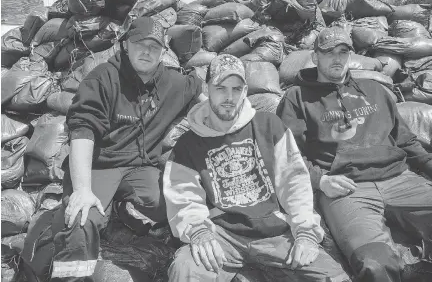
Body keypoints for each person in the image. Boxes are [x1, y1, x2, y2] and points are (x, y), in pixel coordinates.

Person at [163, 54, 350, 282]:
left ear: (245, 91)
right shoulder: (188, 144)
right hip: (222, 236)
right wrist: (198, 231)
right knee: (185, 269)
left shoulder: (269, 126)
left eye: (237, 89)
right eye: (221, 88)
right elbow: (183, 196)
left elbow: (294, 182)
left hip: (274, 233)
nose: (229, 97)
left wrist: (305, 233)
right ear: (207, 87)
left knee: (333, 277)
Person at [50, 16, 206, 281]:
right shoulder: (103, 78)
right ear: (125, 45)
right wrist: (82, 190)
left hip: (141, 167)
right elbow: (82, 129)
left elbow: (198, 90)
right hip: (100, 164)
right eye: (140, 44)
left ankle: (122, 209)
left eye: (154, 47)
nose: (147, 51)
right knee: (83, 220)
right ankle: (71, 276)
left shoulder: (172, 82)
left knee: (168, 204)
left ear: (162, 52)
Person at [276, 27, 432, 282]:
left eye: (343, 52)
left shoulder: (376, 90)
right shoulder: (297, 97)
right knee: (374, 264)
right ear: (315, 57)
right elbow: (287, 153)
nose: (337, 58)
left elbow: (406, 140)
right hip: (346, 189)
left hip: (400, 179)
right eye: (329, 53)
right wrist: (320, 180)